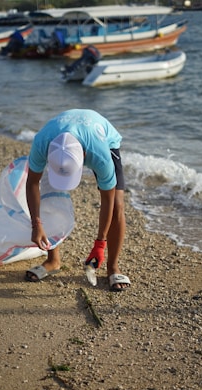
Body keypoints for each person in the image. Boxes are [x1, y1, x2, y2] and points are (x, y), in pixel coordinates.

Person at [25, 109, 130, 292]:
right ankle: (53, 260)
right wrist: (36, 224)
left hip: (101, 136)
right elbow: (32, 183)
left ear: (84, 157)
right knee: (49, 199)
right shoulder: (42, 142)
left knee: (117, 206)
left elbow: (108, 199)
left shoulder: (100, 154)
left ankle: (113, 267)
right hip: (62, 132)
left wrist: (100, 244)